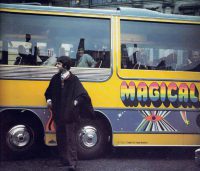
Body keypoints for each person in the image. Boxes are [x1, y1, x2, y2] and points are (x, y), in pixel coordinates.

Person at [44, 56, 95, 171]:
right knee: (60, 138)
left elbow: (83, 95)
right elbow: (48, 92)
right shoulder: (55, 78)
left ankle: (73, 163)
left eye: (58, 64)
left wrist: (76, 102)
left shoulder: (74, 79)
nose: (56, 66)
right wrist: (49, 100)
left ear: (65, 66)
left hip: (70, 115)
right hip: (58, 114)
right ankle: (63, 161)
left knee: (70, 139)